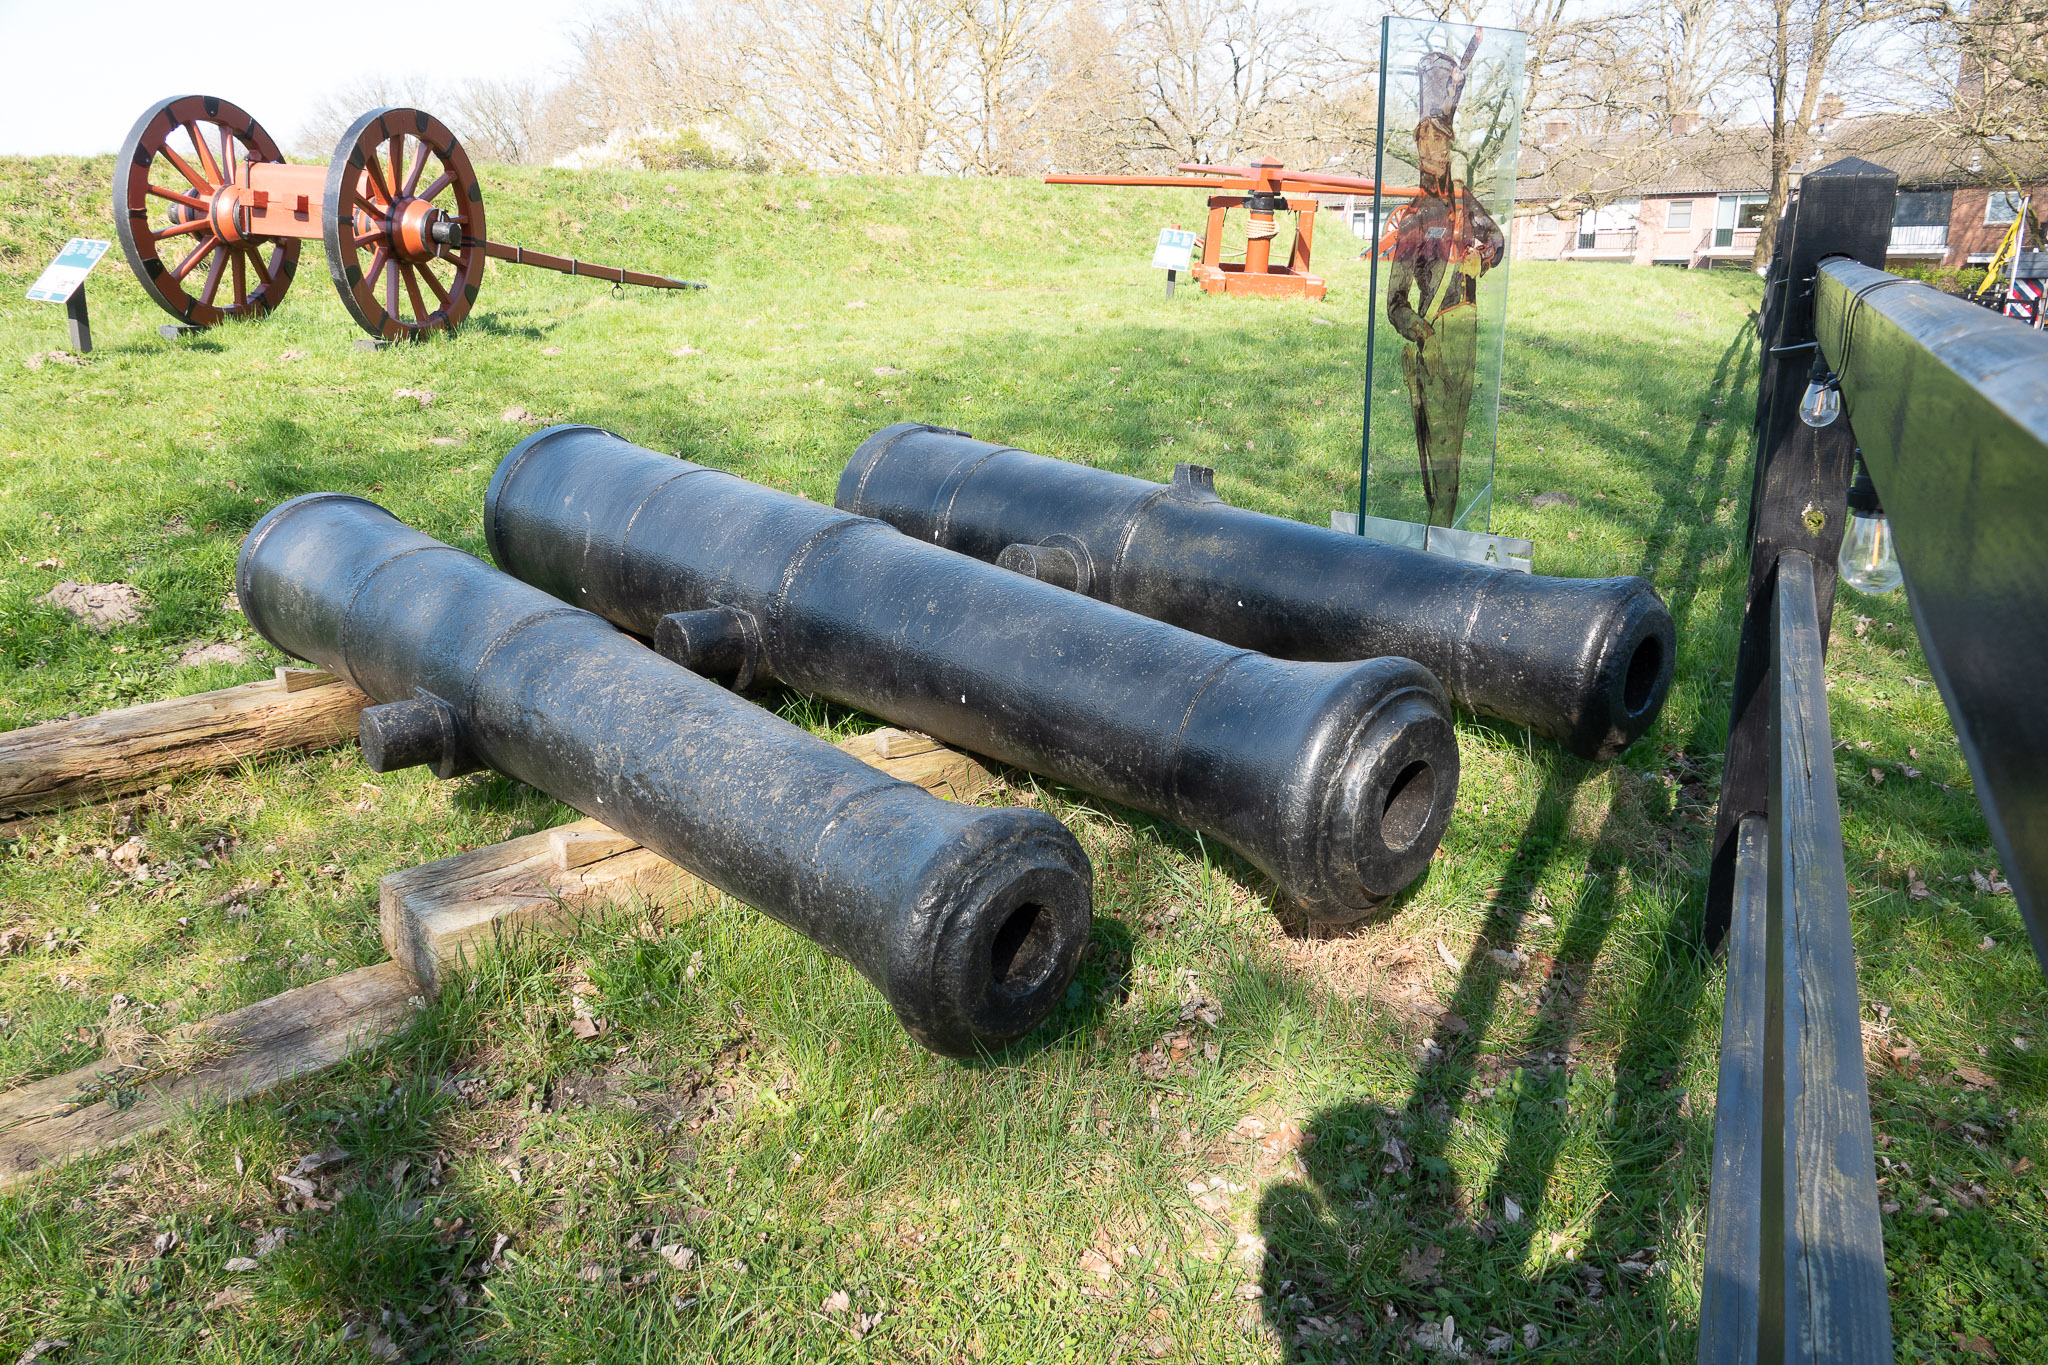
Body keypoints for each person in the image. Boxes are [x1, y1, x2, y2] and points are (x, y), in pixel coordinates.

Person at [1382, 44, 1504, 528]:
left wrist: (1481, 258)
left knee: (1451, 441)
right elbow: (1394, 301)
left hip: (1465, 331)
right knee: (1433, 442)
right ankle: (1438, 527)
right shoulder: (1411, 217)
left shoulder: (1465, 202)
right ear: (1416, 148)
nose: (1434, 151)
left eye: (1442, 142)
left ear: (1451, 148)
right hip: (1430, 339)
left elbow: (1496, 241)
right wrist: (1417, 329)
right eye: (1425, 142)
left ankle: (1444, 528)